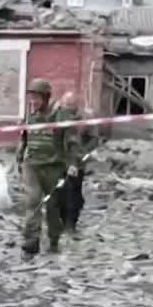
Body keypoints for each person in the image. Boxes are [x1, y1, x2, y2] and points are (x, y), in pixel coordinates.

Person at [16, 79, 82, 257]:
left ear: (46, 97)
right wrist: (19, 158)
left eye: (36, 97)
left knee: (53, 206)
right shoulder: (30, 114)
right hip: (32, 165)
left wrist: (73, 163)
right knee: (33, 200)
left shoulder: (60, 114)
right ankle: (31, 241)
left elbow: (72, 140)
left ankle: (54, 240)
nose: (33, 101)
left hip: (53, 166)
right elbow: (24, 137)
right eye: (31, 97)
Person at [54, 91, 89, 237]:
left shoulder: (82, 120)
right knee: (60, 193)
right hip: (58, 163)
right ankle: (62, 222)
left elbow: (91, 139)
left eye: (72, 105)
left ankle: (71, 224)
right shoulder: (55, 118)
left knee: (74, 194)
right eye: (66, 104)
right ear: (62, 103)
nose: (69, 107)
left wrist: (83, 153)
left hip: (76, 164)